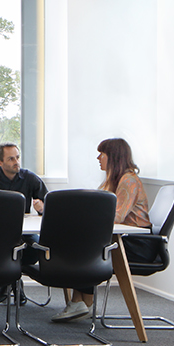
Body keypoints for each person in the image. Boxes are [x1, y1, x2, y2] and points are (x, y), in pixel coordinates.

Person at [54, 137, 151, 322]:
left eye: (102, 154)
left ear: (113, 157)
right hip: (120, 239)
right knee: (80, 244)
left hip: (137, 244)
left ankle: (82, 303)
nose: (98, 158)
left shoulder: (129, 181)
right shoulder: (113, 181)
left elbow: (117, 216)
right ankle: (81, 303)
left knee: (85, 249)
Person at [0, 142, 47, 214]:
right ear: (0, 163)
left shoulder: (30, 178)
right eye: (11, 159)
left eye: (17, 157)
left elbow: (49, 207)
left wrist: (42, 208)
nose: (16, 162)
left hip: (23, 222)